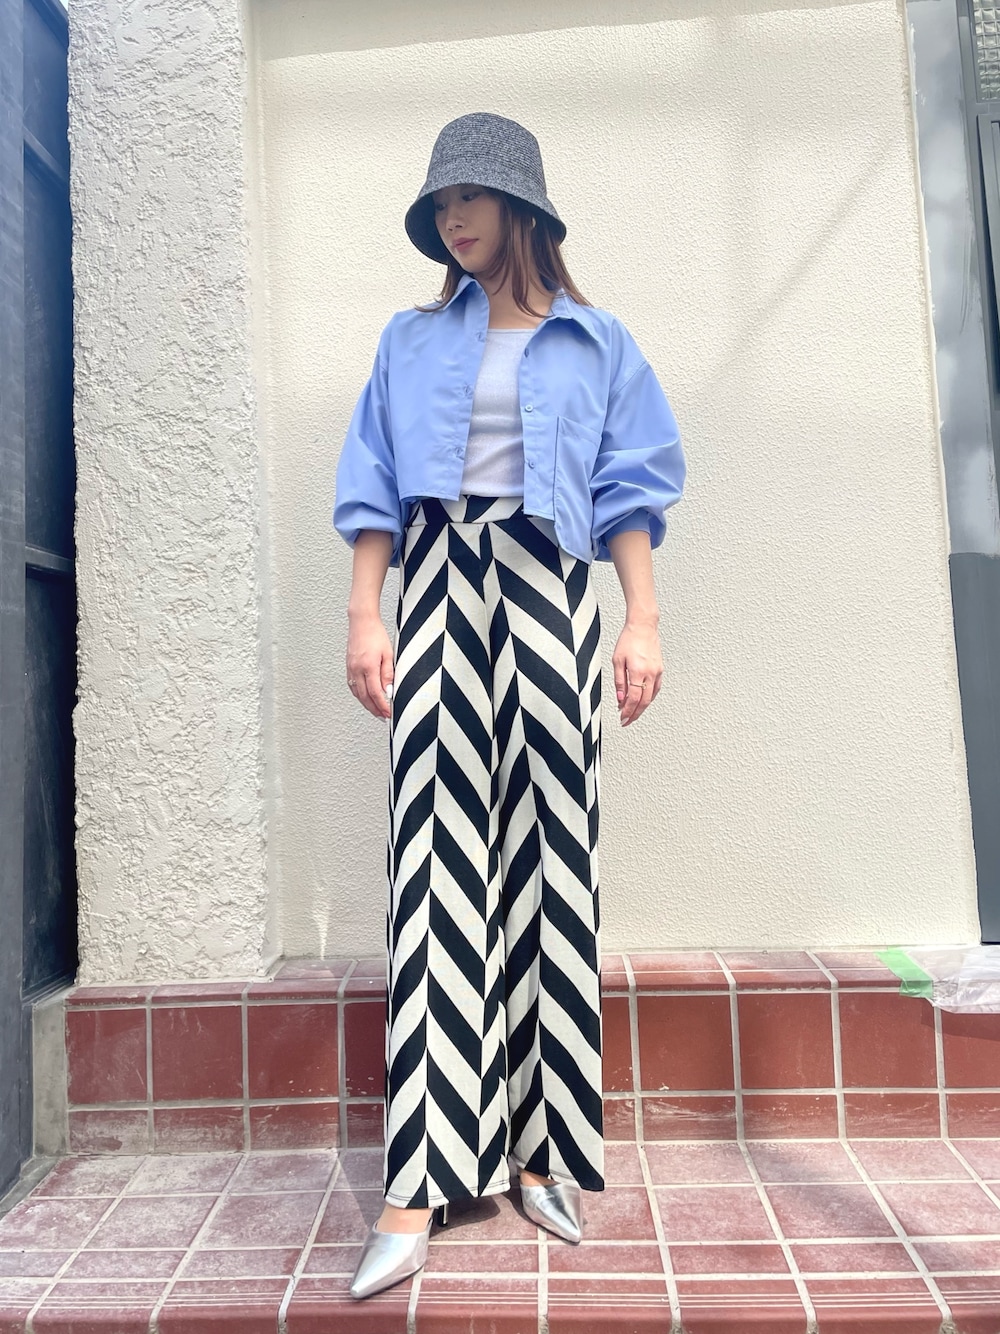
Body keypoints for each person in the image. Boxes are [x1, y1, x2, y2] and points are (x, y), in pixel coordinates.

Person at [333, 112, 685, 1300]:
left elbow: (629, 489)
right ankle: (418, 1181)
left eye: (469, 198)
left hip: (550, 585)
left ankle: (545, 1151)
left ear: (521, 206)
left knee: (552, 860)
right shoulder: (409, 338)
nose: (453, 218)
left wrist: (640, 620)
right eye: (440, 204)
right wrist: (366, 613)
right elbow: (373, 482)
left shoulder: (596, 341)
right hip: (437, 577)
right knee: (435, 860)